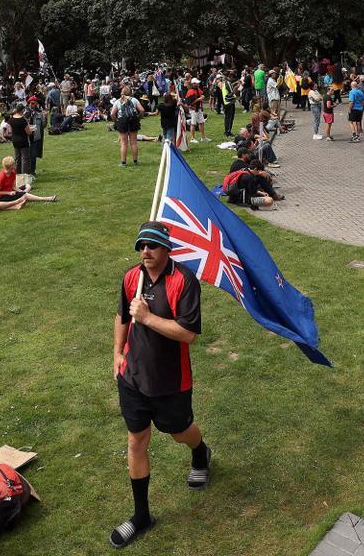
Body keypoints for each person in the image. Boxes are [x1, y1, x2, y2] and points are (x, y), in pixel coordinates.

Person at [111, 222, 210, 548]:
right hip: (133, 376)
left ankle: (200, 453)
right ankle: (142, 515)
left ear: (167, 248)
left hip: (170, 381)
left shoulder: (184, 281)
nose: (145, 252)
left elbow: (188, 333)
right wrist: (116, 353)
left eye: (152, 246)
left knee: (179, 431)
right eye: (141, 246)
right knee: (136, 441)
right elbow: (122, 317)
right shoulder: (131, 277)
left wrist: (149, 317)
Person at [112, 87, 145, 167]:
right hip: (133, 120)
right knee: (134, 142)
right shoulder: (134, 100)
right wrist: (139, 117)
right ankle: (135, 161)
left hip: (122, 121)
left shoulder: (117, 101)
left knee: (124, 143)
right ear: (130, 92)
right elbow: (142, 110)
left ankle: (123, 162)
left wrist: (116, 121)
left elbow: (112, 114)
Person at [6, 104, 35, 184]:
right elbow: (28, 132)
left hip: (15, 140)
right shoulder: (23, 120)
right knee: (25, 159)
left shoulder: (11, 119)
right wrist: (32, 130)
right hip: (23, 140)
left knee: (17, 158)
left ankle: (16, 175)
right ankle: (24, 177)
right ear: (22, 110)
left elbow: (11, 131)